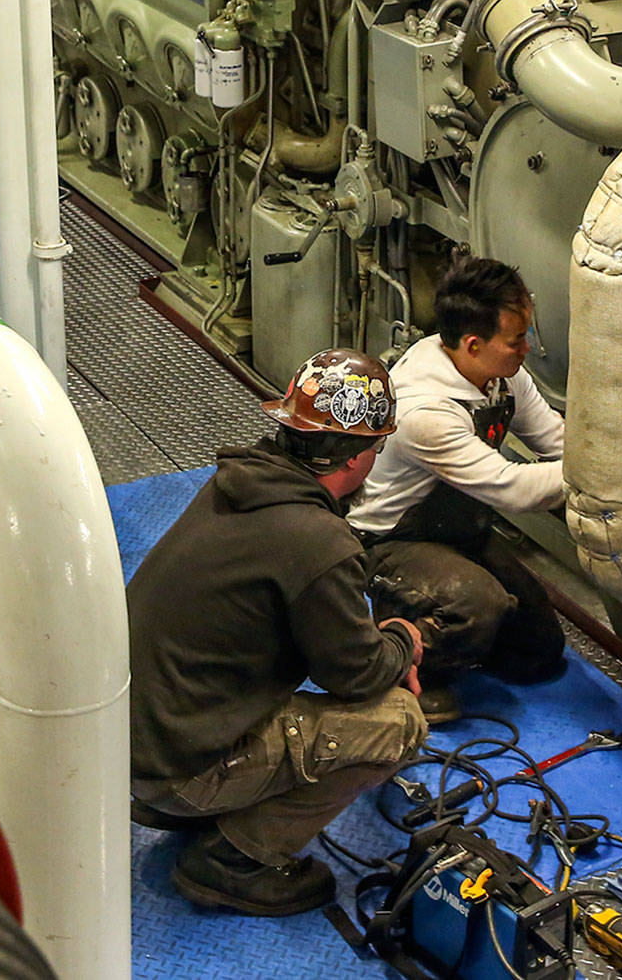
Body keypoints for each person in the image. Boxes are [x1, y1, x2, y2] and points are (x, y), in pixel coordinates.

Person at [129, 348, 430, 917]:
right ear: (358, 457)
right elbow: (356, 674)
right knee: (397, 724)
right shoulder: (317, 539)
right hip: (179, 767)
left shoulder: (238, 482)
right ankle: (234, 859)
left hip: (136, 736)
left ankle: (192, 801)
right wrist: (401, 642)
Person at [350, 258, 568, 717]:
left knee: (537, 652)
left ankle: (447, 630)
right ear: (473, 345)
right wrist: (607, 475)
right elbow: (515, 490)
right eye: (516, 341)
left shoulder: (497, 372)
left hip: (456, 529)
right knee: (477, 605)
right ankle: (392, 659)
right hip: (391, 541)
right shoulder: (426, 410)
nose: (526, 349)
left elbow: (555, 440)